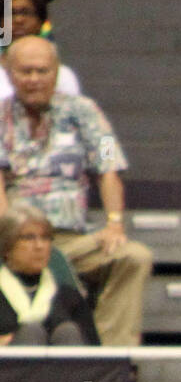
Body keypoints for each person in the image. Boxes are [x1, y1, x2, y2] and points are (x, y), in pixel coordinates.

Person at [0, 36, 153, 348]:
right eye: (25, 72)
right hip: (16, 239)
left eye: (41, 71)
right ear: (8, 72)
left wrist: (114, 223)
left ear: (56, 72)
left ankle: (112, 361)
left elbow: (109, 168)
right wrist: (8, 235)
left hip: (75, 240)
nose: (33, 79)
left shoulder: (86, 111)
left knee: (134, 257)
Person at [0, 202, 98, 345]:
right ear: (7, 245)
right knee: (31, 332)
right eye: (29, 238)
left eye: (45, 238)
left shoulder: (68, 297)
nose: (39, 246)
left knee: (68, 332)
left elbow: (97, 355)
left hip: (66, 367)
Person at [0, 0, 81, 99]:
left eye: (26, 13)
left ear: (41, 22)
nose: (18, 20)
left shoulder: (62, 75)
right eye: (10, 13)